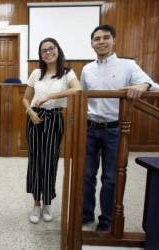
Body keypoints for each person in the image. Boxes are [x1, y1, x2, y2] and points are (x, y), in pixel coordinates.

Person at [81, 24, 156, 231]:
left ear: (114, 41)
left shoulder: (128, 66)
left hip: (115, 130)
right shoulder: (87, 69)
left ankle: (106, 220)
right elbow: (82, 98)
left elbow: (153, 85)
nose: (101, 42)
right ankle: (86, 214)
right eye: (97, 39)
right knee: (87, 175)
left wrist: (143, 85)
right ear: (92, 44)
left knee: (111, 177)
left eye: (106, 37)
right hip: (90, 129)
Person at [22, 38, 81, 224]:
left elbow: (77, 89)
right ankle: (36, 204)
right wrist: (30, 111)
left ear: (57, 50)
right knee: (35, 160)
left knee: (50, 161)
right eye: (44, 50)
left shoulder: (67, 72)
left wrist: (49, 96)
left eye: (51, 48)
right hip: (35, 118)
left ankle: (47, 202)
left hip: (55, 118)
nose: (48, 52)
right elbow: (25, 98)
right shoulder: (36, 72)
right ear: (40, 55)